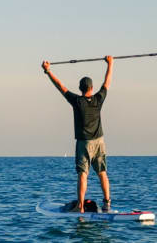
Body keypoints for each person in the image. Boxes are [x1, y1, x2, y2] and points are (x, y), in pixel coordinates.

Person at [41, 56, 114, 213]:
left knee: (83, 174)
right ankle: (107, 203)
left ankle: (80, 207)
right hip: (100, 142)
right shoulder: (98, 99)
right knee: (102, 172)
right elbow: (107, 82)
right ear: (92, 88)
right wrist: (110, 63)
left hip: (84, 143)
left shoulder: (76, 101)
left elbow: (60, 86)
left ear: (80, 89)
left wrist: (48, 72)